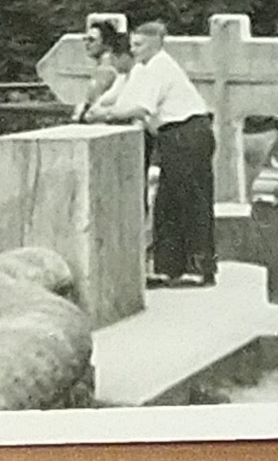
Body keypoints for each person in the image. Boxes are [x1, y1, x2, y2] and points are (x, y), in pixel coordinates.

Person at [89, 20, 215, 288]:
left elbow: (141, 108)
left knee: (189, 200)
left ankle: (198, 268)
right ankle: (171, 268)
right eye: (132, 45)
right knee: (168, 202)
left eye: (139, 45)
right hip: (175, 136)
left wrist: (106, 114)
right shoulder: (146, 68)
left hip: (186, 133)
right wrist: (104, 109)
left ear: (157, 42)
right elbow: (127, 99)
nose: (134, 50)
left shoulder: (159, 67)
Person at [71, 20, 124, 123]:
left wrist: (78, 117)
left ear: (107, 43)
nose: (86, 44)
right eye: (85, 39)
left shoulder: (106, 69)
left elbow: (92, 103)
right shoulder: (114, 66)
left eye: (91, 40)